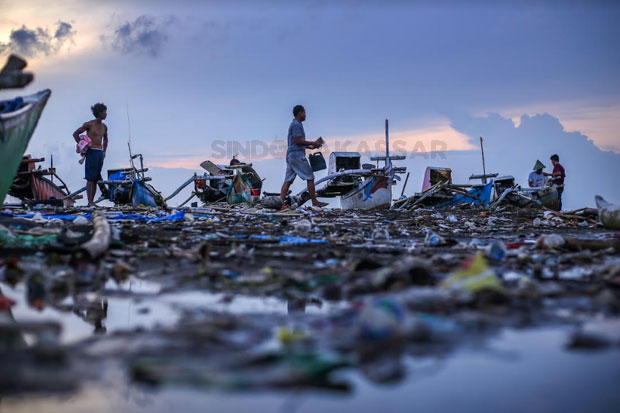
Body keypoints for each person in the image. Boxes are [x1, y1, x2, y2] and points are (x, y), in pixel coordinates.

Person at [280, 105, 328, 209]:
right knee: (310, 178)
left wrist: (312, 146)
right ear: (300, 113)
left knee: (288, 180)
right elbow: (298, 140)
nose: (305, 115)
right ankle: (315, 202)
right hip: (297, 156)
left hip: (291, 155)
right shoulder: (297, 125)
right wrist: (313, 143)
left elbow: (297, 142)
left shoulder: (295, 124)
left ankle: (280, 203)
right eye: (304, 113)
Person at [73, 103, 108, 206]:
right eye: (105, 112)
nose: (106, 114)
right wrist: (82, 145)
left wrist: (104, 151)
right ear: (100, 113)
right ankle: (90, 202)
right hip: (91, 151)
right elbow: (75, 134)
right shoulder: (89, 124)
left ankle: (91, 202)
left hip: (99, 153)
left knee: (96, 178)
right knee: (90, 178)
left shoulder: (104, 127)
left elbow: (106, 139)